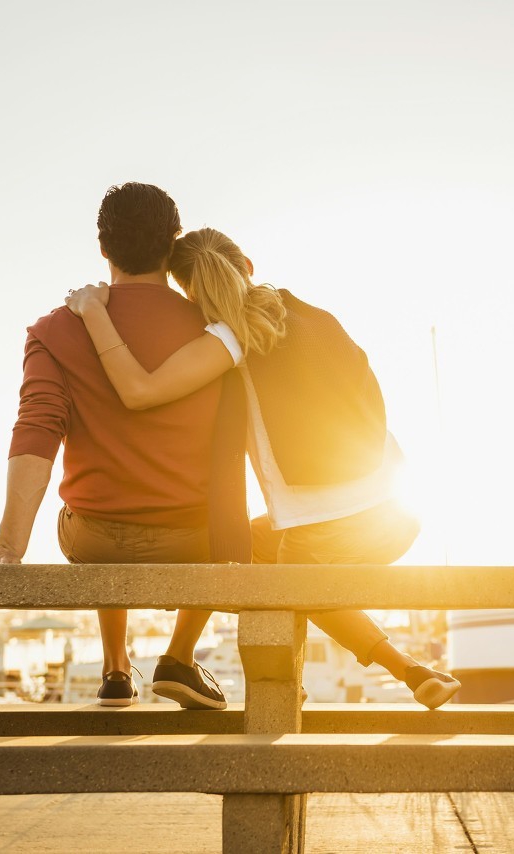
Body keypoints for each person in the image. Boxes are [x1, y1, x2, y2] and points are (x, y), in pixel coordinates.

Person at [64, 227, 461, 708]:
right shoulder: (312, 314)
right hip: (398, 516)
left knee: (254, 564)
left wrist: (93, 311)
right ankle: (180, 659)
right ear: (247, 265)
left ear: (189, 296)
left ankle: (406, 672)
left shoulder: (229, 338)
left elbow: (140, 391)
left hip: (326, 528)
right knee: (263, 554)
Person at [0, 183, 230, 710]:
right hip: (195, 539)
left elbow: (37, 428)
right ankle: (178, 657)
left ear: (103, 248)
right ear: (172, 246)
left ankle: (115, 667)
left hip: (96, 539)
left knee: (92, 510)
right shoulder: (216, 329)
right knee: (226, 525)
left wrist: (10, 545)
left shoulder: (57, 329)